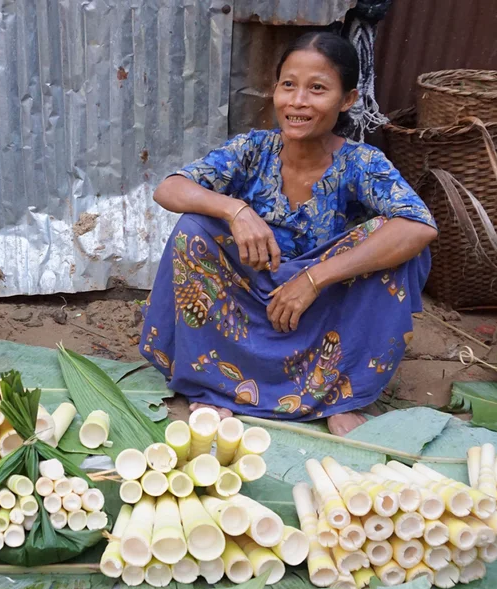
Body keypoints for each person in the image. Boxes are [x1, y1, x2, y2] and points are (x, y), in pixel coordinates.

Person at [140, 32, 438, 436]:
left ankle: (341, 394)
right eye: (288, 85)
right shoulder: (252, 149)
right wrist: (236, 209)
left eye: (317, 89)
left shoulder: (362, 163)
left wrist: (315, 278)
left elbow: (419, 225)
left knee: (398, 241)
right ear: (275, 90)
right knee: (194, 227)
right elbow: (169, 188)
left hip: (322, 311)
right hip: (250, 299)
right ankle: (214, 385)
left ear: (347, 100)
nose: (298, 102)